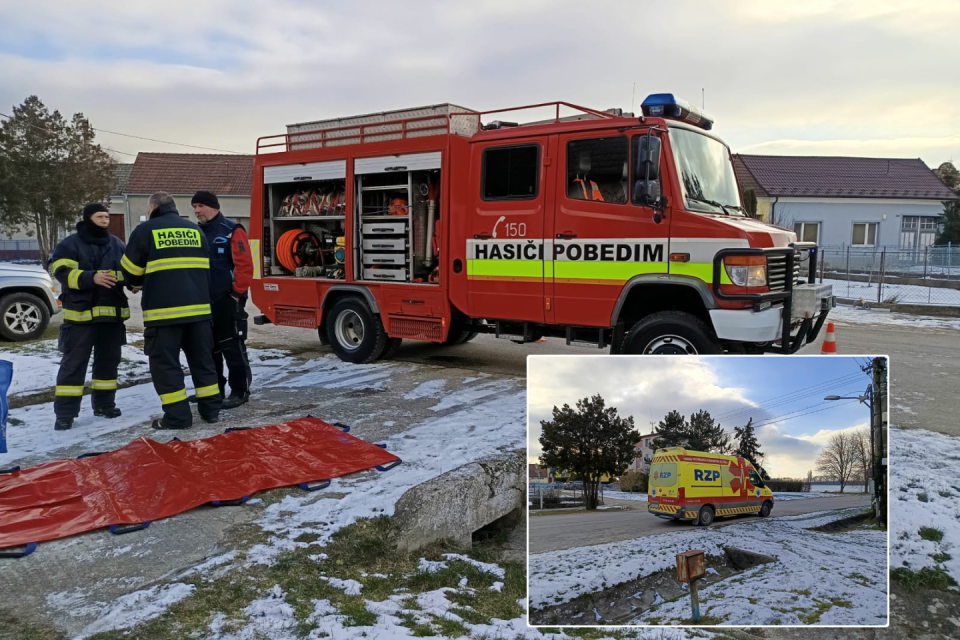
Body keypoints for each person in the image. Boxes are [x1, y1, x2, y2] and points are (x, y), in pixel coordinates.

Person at [120, 192, 222, 429]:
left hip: (164, 314)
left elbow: (130, 271)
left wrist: (137, 282)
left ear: (153, 206)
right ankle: (211, 411)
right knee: (203, 361)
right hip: (198, 313)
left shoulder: (146, 231)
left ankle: (178, 417)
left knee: (166, 366)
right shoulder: (195, 230)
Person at [49, 203, 131, 431]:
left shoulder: (116, 244)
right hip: (80, 317)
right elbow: (62, 273)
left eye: (106, 216)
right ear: (87, 218)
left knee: (108, 363)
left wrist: (131, 282)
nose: (105, 220)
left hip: (111, 316)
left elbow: (127, 271)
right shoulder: (70, 244)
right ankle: (65, 414)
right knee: (73, 365)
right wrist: (90, 278)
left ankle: (105, 405)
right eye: (100, 216)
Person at [190, 190, 253, 410]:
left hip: (228, 300)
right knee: (208, 350)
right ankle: (213, 390)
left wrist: (235, 294)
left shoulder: (232, 231)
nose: (197, 211)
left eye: (201, 206)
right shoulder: (195, 233)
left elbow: (245, 267)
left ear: (214, 207)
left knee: (232, 347)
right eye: (194, 207)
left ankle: (239, 391)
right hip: (203, 303)